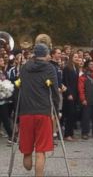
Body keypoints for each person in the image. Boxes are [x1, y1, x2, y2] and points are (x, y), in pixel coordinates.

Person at [18, 43, 60, 177]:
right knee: (41, 150)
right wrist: (56, 109)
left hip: (26, 112)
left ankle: (28, 161)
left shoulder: (24, 68)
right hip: (43, 111)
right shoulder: (50, 68)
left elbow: (21, 85)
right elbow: (54, 91)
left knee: (27, 149)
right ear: (46, 54)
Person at [78, 60, 93, 139]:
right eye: (91, 64)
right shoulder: (82, 77)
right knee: (86, 117)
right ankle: (85, 133)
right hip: (87, 100)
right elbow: (81, 89)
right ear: (87, 66)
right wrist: (83, 99)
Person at [62, 52, 79, 141]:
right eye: (75, 56)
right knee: (69, 114)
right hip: (69, 94)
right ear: (71, 57)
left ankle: (71, 133)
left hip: (75, 93)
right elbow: (65, 82)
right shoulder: (67, 68)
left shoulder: (76, 68)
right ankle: (67, 134)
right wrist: (68, 93)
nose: (77, 58)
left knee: (73, 114)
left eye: (78, 57)